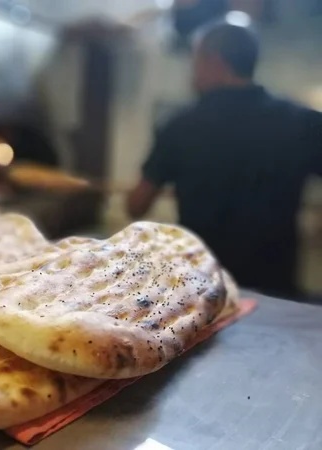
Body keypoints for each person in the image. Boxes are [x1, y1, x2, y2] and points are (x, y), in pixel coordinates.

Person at [127, 21, 322, 298]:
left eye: (195, 62)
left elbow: (136, 205)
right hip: (275, 291)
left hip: (204, 292)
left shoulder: (181, 125)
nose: (192, 74)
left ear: (214, 62)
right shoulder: (303, 122)